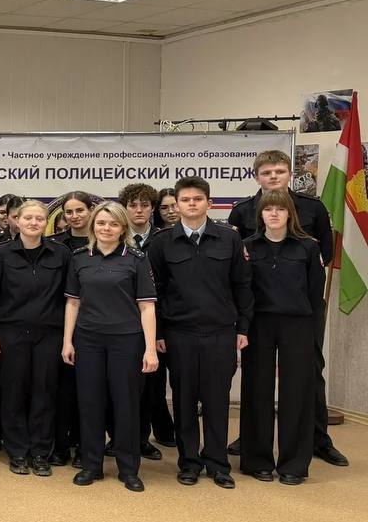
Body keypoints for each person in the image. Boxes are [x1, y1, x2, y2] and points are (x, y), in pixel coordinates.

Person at [227, 150, 345, 468]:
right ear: (257, 177)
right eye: (266, 172)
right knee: (257, 382)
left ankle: (317, 440)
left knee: (307, 377)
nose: (273, 177)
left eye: (279, 171)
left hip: (301, 311)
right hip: (260, 315)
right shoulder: (241, 211)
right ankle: (253, 446)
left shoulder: (313, 209)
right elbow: (238, 264)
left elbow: (323, 254)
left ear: (289, 174)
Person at [146, 177, 252, 489]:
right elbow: (155, 291)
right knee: (184, 401)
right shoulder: (162, 243)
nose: (191, 204)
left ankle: (218, 463)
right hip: (179, 334)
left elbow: (242, 285)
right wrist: (159, 332)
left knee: (217, 400)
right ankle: (189, 462)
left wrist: (243, 327)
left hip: (220, 332)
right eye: (185, 200)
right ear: (176, 205)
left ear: (209, 203)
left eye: (197, 199)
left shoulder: (229, 239)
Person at [62, 202, 158, 493]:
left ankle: (129, 469)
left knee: (126, 404)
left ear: (122, 228)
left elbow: (147, 307)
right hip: (88, 340)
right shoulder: (80, 258)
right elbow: (73, 303)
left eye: (113, 224)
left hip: (126, 341)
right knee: (90, 403)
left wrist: (150, 349)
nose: (106, 228)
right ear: (93, 226)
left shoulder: (136, 259)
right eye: (101, 223)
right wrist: (67, 341)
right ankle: (91, 465)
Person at [240, 190, 325, 485]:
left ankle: (294, 464)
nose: (274, 214)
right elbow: (242, 290)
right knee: (256, 389)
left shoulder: (308, 247)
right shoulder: (247, 247)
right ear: (260, 215)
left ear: (290, 214)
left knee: (297, 393)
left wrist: (313, 331)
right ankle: (257, 460)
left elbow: (315, 294)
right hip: (259, 325)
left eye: (280, 209)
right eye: (268, 209)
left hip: (297, 325)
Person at [0, 199, 68, 476]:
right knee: (14, 393)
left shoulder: (61, 254)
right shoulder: (0, 254)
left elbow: (70, 298)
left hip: (49, 335)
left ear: (46, 223)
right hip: (12, 334)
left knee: (44, 393)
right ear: (17, 221)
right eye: (28, 218)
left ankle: (41, 452)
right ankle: (18, 451)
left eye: (39, 219)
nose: (33, 223)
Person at [119, 182, 174, 456]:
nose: (138, 210)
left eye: (144, 205)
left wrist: (160, 330)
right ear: (125, 208)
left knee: (152, 386)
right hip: (121, 323)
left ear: (153, 208)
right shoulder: (116, 237)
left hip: (155, 323)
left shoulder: (165, 239)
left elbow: (169, 286)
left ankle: (143, 439)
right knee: (122, 386)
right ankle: (121, 438)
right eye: (133, 205)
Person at [50, 191, 93, 468]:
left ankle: (82, 445)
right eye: (69, 212)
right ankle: (60, 444)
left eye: (80, 210)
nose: (74, 216)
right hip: (59, 326)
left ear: (90, 211)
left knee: (86, 390)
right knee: (61, 389)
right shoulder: (56, 245)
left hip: (91, 325)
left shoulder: (102, 242)